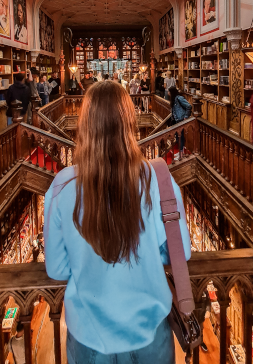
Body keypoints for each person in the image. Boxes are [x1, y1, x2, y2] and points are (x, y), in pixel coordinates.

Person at [44, 81, 191, 364]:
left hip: (89, 336)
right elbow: (179, 252)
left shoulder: (63, 186)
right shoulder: (157, 179)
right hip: (150, 331)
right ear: (130, 122)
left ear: (84, 125)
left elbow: (58, 268)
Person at [168, 86, 192, 155]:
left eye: (169, 91)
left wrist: (186, 117)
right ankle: (180, 152)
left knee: (180, 136)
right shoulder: (173, 99)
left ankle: (181, 153)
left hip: (180, 119)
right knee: (178, 136)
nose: (168, 93)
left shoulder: (179, 98)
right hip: (176, 120)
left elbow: (189, 106)